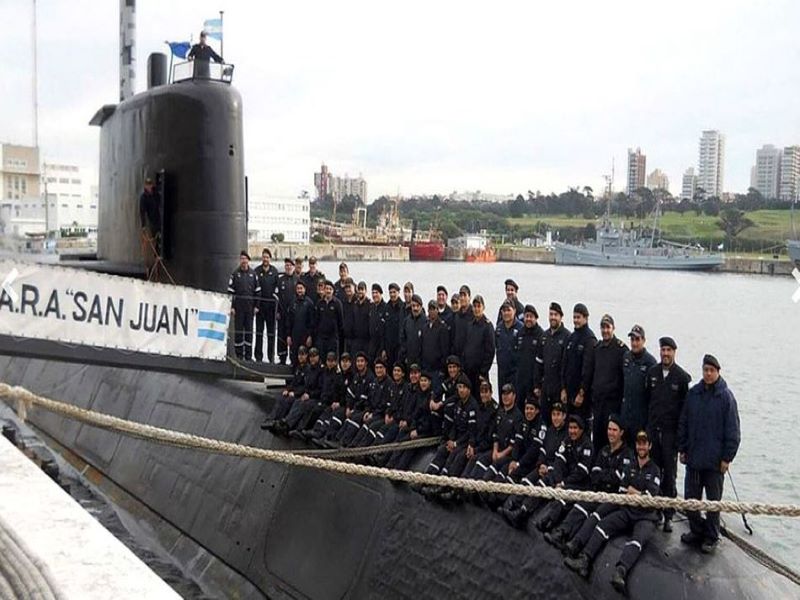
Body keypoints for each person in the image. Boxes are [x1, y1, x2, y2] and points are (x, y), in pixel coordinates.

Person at [564, 430, 662, 595]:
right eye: (639, 443)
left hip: (645, 516)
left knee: (637, 540)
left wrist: (634, 492)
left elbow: (650, 496)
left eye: (644, 444)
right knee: (603, 525)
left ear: (650, 446)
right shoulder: (630, 466)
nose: (641, 447)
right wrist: (638, 494)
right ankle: (585, 560)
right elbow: (623, 489)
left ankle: (620, 571)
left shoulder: (655, 470)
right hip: (627, 510)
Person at [678, 354, 741, 554]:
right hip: (694, 459)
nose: (708, 374)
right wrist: (682, 448)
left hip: (714, 463)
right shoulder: (694, 394)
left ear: (717, 372)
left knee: (713, 503)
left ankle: (712, 536)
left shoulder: (726, 398)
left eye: (711, 371)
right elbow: (684, 422)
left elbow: (733, 432)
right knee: (691, 501)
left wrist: (727, 458)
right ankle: (696, 531)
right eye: (705, 370)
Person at [544, 414, 633, 550]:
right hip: (598, 491)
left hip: (613, 497)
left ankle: (576, 544)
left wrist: (604, 475)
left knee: (595, 516)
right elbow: (595, 474)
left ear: (621, 433)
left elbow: (618, 479)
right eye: (609, 429)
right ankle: (562, 533)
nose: (610, 433)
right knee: (580, 505)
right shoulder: (604, 451)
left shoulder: (627, 455)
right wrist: (608, 474)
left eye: (614, 430)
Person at [646, 336, 691, 532]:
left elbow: (685, 412)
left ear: (674, 352)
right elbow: (648, 402)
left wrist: (681, 442)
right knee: (654, 471)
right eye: (663, 350)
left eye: (668, 350)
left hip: (670, 434)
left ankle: (668, 515)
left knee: (670, 475)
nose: (665, 353)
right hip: (654, 431)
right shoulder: (653, 373)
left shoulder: (681, 378)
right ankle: (655, 509)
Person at [583, 314, 626, 455]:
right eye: (603, 328)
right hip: (598, 404)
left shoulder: (621, 349)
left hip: (612, 404)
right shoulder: (597, 348)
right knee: (597, 439)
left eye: (608, 327)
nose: (605, 331)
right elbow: (591, 373)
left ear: (613, 328)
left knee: (611, 440)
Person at [560, 303, 596, 427]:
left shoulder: (590, 339)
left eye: (578, 317)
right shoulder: (571, 337)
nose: (576, 320)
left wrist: (582, 393)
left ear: (586, 318)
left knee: (580, 427)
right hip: (569, 393)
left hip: (581, 397)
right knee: (569, 426)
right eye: (574, 317)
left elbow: (588, 369)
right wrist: (563, 388)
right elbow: (564, 364)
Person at [534, 302, 569, 425]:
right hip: (546, 387)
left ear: (561, 317)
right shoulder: (544, 337)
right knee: (545, 419)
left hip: (559, 388)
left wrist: (564, 389)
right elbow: (539, 363)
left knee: (559, 421)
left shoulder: (567, 337)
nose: (553, 317)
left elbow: (567, 368)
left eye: (556, 315)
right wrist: (537, 385)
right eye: (551, 314)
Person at [620, 324, 657, 435]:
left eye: (637, 339)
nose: (634, 343)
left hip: (641, 418)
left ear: (643, 340)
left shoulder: (650, 362)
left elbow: (653, 395)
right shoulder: (626, 357)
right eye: (632, 340)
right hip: (626, 416)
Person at [227, 251, 260, 360]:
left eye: (245, 259)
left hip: (250, 309)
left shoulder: (253, 274)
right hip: (239, 309)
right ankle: (239, 355)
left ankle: (248, 356)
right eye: (242, 258)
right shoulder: (235, 274)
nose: (243, 261)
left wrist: (257, 306)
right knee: (239, 333)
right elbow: (230, 292)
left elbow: (258, 291)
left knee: (249, 332)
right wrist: (232, 307)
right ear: (240, 260)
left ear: (248, 260)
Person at [463, 295, 495, 393]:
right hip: (469, 372)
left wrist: (483, 371)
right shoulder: (469, 325)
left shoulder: (487, 326)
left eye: (479, 306)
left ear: (483, 307)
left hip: (480, 373)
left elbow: (490, 351)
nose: (476, 309)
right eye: (475, 306)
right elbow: (466, 346)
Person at [515, 304, 544, 410]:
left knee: (533, 409)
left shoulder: (541, 335)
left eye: (531, 317)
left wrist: (538, 384)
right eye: (526, 316)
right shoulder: (520, 333)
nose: (528, 319)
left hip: (533, 382)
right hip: (520, 381)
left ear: (536, 318)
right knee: (519, 408)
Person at [254, 249, 280, 363]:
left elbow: (277, 291)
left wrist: (277, 310)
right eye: (264, 257)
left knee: (271, 334)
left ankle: (271, 357)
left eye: (267, 257)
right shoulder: (256, 271)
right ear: (262, 258)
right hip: (260, 308)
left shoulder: (274, 272)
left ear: (270, 258)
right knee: (259, 333)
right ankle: (258, 357)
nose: (265, 259)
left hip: (271, 308)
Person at [495, 301, 523, 393]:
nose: (506, 313)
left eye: (508, 310)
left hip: (515, 374)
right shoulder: (499, 328)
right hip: (502, 372)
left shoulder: (521, 328)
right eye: (504, 310)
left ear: (514, 311)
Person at [420, 300, 450, 385]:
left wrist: (442, 369)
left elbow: (445, 350)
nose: (432, 311)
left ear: (437, 310)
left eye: (434, 309)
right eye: (430, 309)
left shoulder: (443, 327)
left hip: (437, 370)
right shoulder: (424, 327)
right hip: (425, 368)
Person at [286, 280, 315, 365]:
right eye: (298, 288)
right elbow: (289, 320)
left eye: (301, 288)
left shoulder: (309, 303)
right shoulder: (292, 302)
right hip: (294, 335)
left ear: (304, 289)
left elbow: (312, 321)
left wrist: (310, 336)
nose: (299, 290)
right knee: (294, 358)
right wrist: (288, 335)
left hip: (305, 336)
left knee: (304, 358)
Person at [314, 280, 344, 359]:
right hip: (321, 338)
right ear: (324, 290)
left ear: (333, 291)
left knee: (332, 359)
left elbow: (341, 322)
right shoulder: (319, 303)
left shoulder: (337, 303)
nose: (328, 291)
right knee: (322, 359)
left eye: (330, 289)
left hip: (333, 338)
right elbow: (316, 320)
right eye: (326, 289)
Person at [399, 294, 426, 368]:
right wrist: (404, 356)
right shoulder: (407, 321)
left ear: (421, 307)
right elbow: (402, 339)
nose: (415, 308)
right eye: (413, 306)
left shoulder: (426, 321)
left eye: (417, 306)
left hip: (422, 362)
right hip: (409, 360)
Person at [383, 283, 405, 365]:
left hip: (399, 347)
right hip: (388, 347)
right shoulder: (386, 307)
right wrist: (384, 349)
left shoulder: (403, 307)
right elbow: (384, 329)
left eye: (394, 292)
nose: (392, 294)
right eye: (390, 292)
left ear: (398, 292)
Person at [348, 282, 372, 357]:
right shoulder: (355, 305)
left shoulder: (370, 305)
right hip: (356, 340)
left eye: (362, 289)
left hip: (366, 340)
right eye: (359, 289)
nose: (360, 291)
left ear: (366, 291)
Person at [368, 284, 388, 362]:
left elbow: (386, 330)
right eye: (373, 293)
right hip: (372, 344)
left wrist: (384, 349)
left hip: (381, 344)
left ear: (381, 293)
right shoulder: (371, 307)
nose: (374, 295)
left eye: (376, 293)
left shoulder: (386, 307)